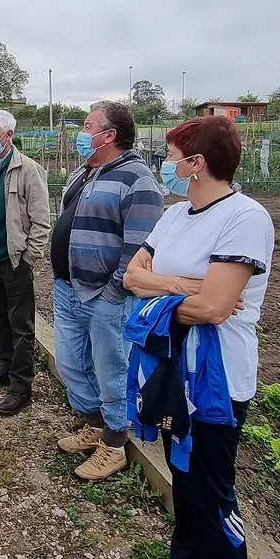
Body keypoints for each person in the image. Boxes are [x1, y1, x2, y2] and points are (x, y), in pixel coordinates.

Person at [123, 115, 275, 559]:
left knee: (210, 494)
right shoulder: (173, 216)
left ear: (197, 163)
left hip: (215, 380)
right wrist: (182, 285)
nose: (164, 165)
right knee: (184, 480)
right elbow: (133, 276)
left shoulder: (245, 218)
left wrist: (158, 294)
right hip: (172, 368)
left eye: (170, 158)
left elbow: (213, 309)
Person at [51, 101, 163, 481]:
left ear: (109, 135)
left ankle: (114, 445)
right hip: (68, 288)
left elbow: (140, 246)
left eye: (87, 126)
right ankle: (98, 427)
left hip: (104, 296)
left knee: (112, 368)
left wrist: (115, 291)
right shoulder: (84, 172)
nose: (82, 133)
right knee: (72, 364)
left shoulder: (137, 179)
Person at [0, 109, 51, 415]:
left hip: (14, 259)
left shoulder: (28, 170)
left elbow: (41, 221)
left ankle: (21, 385)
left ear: (8, 135)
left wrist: (29, 256)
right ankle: (5, 367)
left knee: (22, 324)